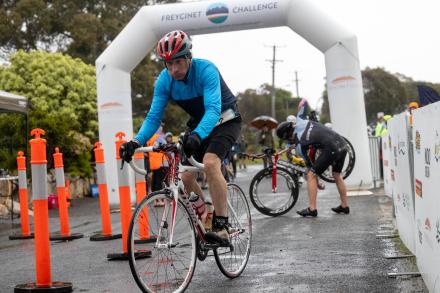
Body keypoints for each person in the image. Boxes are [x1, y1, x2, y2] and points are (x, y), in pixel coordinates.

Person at [119, 30, 241, 246]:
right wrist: (136, 142)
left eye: (178, 62)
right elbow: (154, 117)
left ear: (188, 57)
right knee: (184, 176)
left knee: (211, 163)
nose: (174, 69)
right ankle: (207, 214)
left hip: (225, 119)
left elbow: (213, 109)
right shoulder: (164, 81)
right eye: (168, 64)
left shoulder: (206, 70)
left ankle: (222, 227)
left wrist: (197, 135)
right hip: (200, 124)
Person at [276, 98, 350, 217]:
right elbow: (304, 102)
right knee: (337, 175)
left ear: (287, 135)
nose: (288, 142)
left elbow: (310, 166)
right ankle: (344, 206)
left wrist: (316, 178)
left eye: (286, 139)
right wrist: (300, 106)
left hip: (331, 148)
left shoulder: (300, 145)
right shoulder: (300, 119)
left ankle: (312, 208)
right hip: (342, 144)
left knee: (310, 174)